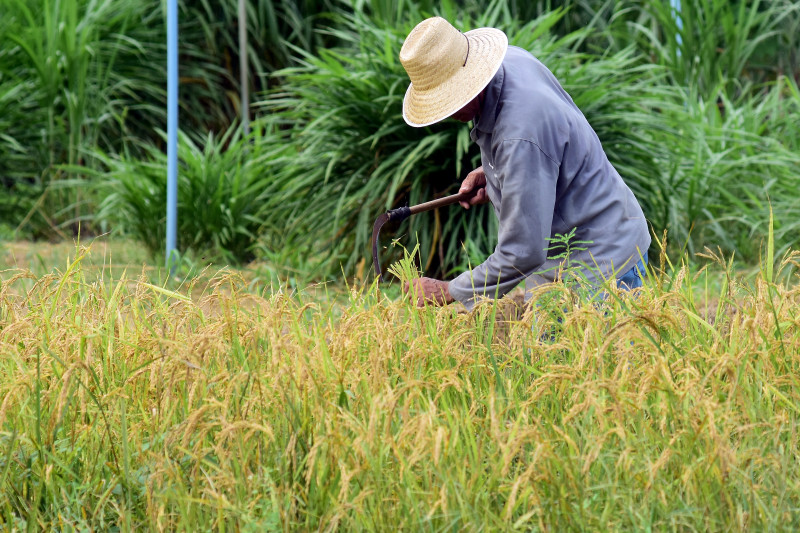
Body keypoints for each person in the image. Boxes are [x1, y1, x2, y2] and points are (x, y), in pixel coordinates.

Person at [398, 16, 651, 309]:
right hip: (571, 245)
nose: (445, 114)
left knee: (590, 353)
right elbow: (547, 148)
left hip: (602, 257)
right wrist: (494, 174)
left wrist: (449, 290)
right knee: (545, 350)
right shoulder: (511, 62)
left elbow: (523, 250)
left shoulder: (519, 135)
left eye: (447, 101)